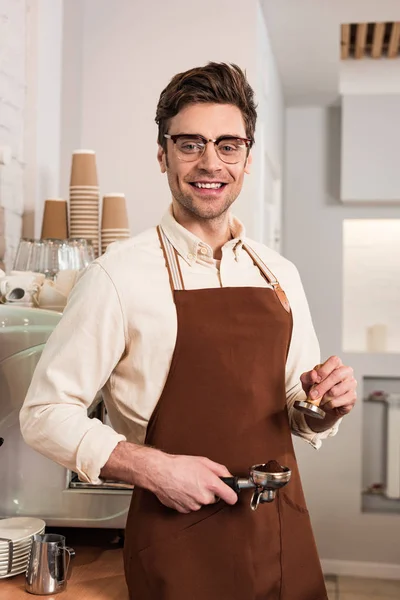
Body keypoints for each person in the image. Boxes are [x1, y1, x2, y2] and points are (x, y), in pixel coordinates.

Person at [20, 62, 357, 600]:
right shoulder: (117, 275)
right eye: (190, 144)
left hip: (281, 535)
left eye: (228, 146)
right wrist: (149, 467)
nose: (209, 163)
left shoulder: (279, 274)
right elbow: (43, 414)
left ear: (247, 158)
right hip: (179, 545)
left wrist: (325, 404)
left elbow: (297, 403)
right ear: (163, 154)